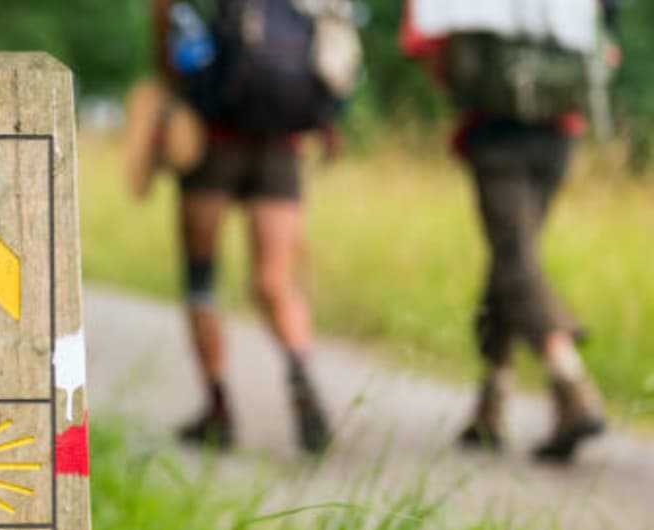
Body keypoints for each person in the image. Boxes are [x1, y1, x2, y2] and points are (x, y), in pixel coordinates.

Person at [401, 0, 620, 463]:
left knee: (514, 261)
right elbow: (607, 36)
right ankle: (491, 402)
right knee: (512, 259)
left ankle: (571, 382)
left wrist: (465, 80)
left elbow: (422, 41)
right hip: (560, 128)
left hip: (497, 131)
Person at [143, 0, 356, 453]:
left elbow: (174, 59)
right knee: (275, 281)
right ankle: (300, 371)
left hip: (211, 143)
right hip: (281, 146)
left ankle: (218, 407)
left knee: (201, 276)